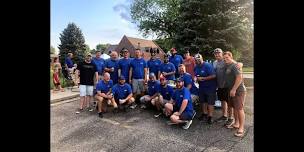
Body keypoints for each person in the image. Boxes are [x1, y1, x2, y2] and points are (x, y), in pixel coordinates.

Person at [213, 48, 243, 126]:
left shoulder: (225, 61)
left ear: (221, 54)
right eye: (215, 53)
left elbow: (236, 64)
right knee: (223, 101)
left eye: (218, 53)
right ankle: (224, 115)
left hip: (227, 86)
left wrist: (240, 64)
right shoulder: (214, 63)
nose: (217, 55)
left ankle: (230, 118)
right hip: (219, 85)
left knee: (229, 103)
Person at [223, 51, 247, 137]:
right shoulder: (228, 65)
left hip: (238, 90)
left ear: (231, 57)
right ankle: (236, 123)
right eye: (224, 58)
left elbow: (239, 77)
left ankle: (241, 128)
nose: (225, 59)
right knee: (235, 107)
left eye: (227, 58)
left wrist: (233, 89)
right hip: (232, 90)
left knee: (239, 109)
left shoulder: (235, 65)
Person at [194, 54, 217, 124]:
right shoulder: (196, 67)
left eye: (199, 59)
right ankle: (204, 113)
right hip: (201, 87)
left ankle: (210, 116)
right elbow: (196, 75)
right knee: (203, 101)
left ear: (202, 58)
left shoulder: (207, 65)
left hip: (210, 87)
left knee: (210, 102)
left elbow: (214, 75)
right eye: (196, 60)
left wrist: (203, 78)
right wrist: (196, 79)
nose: (198, 61)